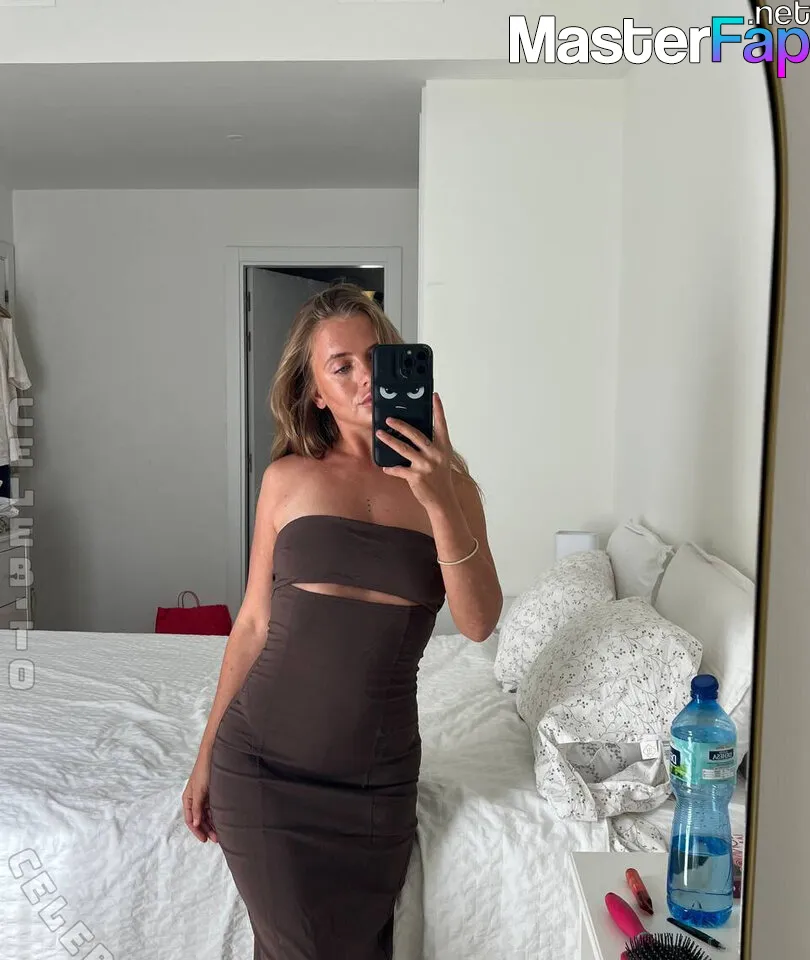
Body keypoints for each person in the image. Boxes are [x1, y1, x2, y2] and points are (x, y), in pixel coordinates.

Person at [182, 283, 502, 959]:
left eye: (374, 357)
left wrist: (438, 499)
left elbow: (478, 623)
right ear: (316, 393)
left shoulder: (451, 487)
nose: (363, 379)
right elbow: (252, 626)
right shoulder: (287, 479)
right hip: (264, 768)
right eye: (341, 366)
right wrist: (205, 755)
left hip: (375, 786)